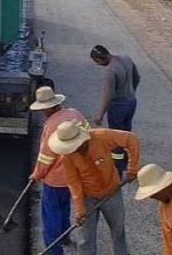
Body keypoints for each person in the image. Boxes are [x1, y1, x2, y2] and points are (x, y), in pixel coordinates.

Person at [48, 121, 140, 255]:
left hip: (112, 192)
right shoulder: (67, 156)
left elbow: (132, 139)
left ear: (81, 140)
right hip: (88, 197)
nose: (72, 150)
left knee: (118, 233)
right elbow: (73, 182)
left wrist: (133, 169)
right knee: (85, 239)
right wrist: (80, 209)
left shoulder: (101, 136)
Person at [28, 86, 90, 254]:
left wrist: (37, 174)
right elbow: (88, 134)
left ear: (49, 107)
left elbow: (46, 156)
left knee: (50, 214)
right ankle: (64, 236)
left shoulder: (51, 125)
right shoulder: (75, 114)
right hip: (74, 176)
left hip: (55, 178)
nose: (42, 112)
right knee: (65, 207)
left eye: (43, 109)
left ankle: (52, 250)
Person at [90, 44, 140, 177]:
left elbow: (108, 96)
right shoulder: (126, 59)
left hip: (118, 106)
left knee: (116, 138)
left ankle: (117, 168)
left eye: (97, 62)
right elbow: (137, 78)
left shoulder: (109, 72)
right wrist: (131, 93)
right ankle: (127, 160)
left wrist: (99, 116)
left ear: (99, 59)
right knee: (126, 133)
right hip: (131, 102)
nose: (98, 65)